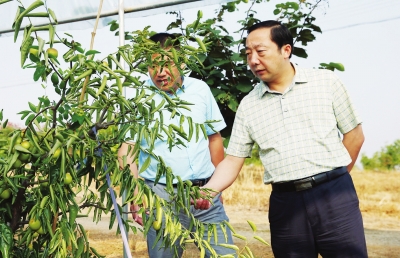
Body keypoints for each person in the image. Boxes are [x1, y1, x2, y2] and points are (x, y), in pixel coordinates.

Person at [194, 20, 368, 258]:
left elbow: (354, 135)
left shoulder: (326, 82)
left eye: (260, 51)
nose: (253, 60)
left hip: (335, 197)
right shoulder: (249, 105)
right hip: (285, 203)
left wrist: (332, 178)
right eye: (248, 54)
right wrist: (209, 190)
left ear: (286, 50)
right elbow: (233, 159)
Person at [118, 33, 235, 258]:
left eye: (167, 64)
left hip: (204, 193)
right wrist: (135, 196)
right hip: (161, 196)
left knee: (224, 253)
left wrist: (217, 187)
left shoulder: (200, 90)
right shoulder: (138, 98)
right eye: (153, 65)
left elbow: (214, 138)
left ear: (181, 62)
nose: (160, 72)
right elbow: (127, 151)